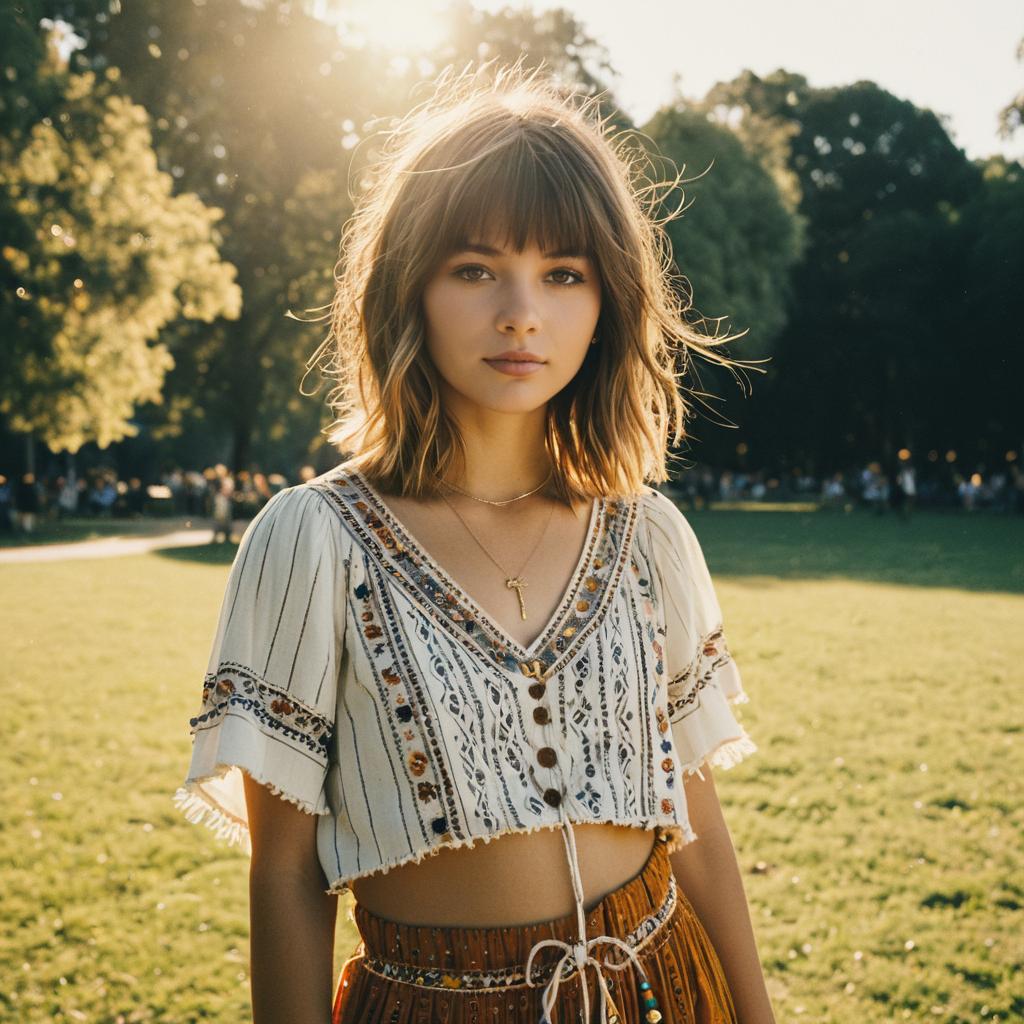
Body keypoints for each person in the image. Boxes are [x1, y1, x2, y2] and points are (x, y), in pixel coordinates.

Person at [173, 59, 774, 1024]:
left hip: (668, 986)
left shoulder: (649, 536)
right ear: (409, 285)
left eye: (563, 273)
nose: (520, 312)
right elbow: (285, 873)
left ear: (606, 304)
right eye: (476, 267)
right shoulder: (314, 541)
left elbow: (695, 822)